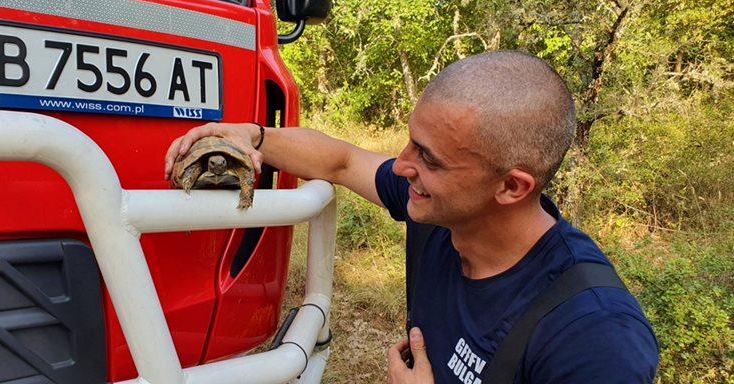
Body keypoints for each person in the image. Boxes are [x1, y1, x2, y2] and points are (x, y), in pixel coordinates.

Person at [164, 51, 659, 383]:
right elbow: (341, 160)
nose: (402, 166)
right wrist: (253, 137)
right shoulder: (441, 213)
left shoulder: (593, 337)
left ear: (511, 186)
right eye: (410, 141)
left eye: (429, 158)